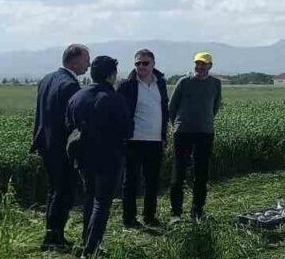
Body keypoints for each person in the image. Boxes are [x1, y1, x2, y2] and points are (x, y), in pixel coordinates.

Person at [66, 56, 131, 258]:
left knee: (89, 198)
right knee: (102, 203)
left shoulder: (77, 97)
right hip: (108, 158)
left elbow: (69, 126)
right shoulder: (114, 98)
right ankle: (92, 248)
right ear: (111, 75)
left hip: (83, 158)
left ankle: (86, 240)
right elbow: (127, 130)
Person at [31, 43, 88, 252]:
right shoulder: (70, 86)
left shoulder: (47, 79)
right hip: (61, 148)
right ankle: (55, 238)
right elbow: (72, 123)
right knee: (64, 192)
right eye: (85, 59)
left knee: (54, 190)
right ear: (74, 60)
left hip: (46, 144)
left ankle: (51, 233)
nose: (88, 64)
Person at [117, 48, 169, 228]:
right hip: (134, 140)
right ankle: (129, 219)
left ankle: (149, 216)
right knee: (130, 181)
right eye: (138, 63)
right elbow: (121, 113)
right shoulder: (127, 85)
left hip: (155, 141)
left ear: (153, 64)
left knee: (152, 181)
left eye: (145, 63)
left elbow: (164, 110)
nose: (141, 66)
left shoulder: (160, 83)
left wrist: (163, 135)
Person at [168, 51, 222, 221]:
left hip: (205, 133)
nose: (199, 67)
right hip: (183, 132)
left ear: (210, 66)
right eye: (197, 63)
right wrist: (176, 124)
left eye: (203, 64)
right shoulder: (184, 82)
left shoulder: (215, 83)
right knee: (179, 172)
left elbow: (215, 106)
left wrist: (206, 121)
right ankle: (176, 213)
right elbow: (172, 106)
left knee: (201, 174)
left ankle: (197, 212)